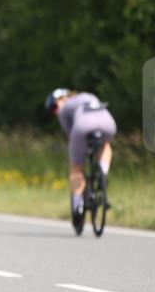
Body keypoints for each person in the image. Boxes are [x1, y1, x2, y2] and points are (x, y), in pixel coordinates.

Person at [45, 88, 117, 229]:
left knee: (77, 167)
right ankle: (103, 172)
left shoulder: (65, 108)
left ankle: (78, 205)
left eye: (54, 106)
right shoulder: (88, 95)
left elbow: (71, 135)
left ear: (62, 98)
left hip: (83, 125)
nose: (55, 111)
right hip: (108, 123)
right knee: (105, 145)